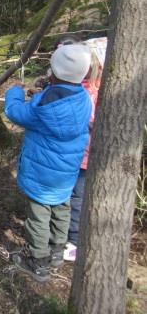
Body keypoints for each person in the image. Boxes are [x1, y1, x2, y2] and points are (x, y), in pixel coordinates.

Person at [5, 43, 92, 283]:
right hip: (66, 173)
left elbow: (15, 113)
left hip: (41, 174)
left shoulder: (42, 107)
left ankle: (38, 261)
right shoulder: (83, 98)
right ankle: (57, 251)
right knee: (62, 208)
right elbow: (59, 100)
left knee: (39, 215)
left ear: (54, 71)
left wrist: (15, 92)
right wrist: (43, 89)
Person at [64, 39, 106, 262]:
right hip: (72, 151)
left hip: (86, 153)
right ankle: (63, 234)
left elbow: (94, 119)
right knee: (69, 193)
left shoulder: (99, 90)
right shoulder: (82, 87)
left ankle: (74, 240)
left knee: (78, 195)